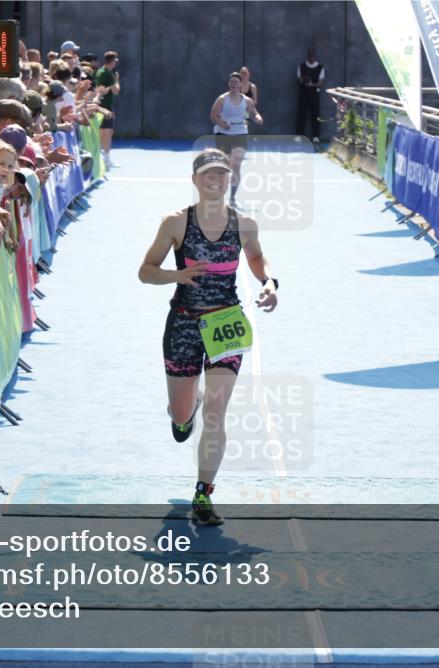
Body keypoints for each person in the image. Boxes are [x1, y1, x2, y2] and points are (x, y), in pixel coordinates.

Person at [138, 149, 278, 525]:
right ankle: (185, 410)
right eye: (208, 174)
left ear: (230, 178)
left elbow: (257, 258)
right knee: (183, 417)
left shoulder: (244, 224)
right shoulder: (175, 222)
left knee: (216, 413)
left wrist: (269, 282)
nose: (216, 180)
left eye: (222, 174)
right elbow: (146, 271)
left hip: (225, 323)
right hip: (184, 323)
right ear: (195, 180)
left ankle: (203, 493)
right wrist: (177, 276)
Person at [210, 72, 263, 211]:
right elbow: (213, 115)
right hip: (223, 134)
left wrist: (258, 118)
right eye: (231, 82)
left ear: (240, 85)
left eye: (236, 82)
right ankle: (218, 196)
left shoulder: (247, 100)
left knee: (236, 166)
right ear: (229, 84)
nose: (233, 84)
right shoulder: (222, 99)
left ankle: (232, 199)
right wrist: (222, 124)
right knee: (224, 166)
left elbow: (254, 113)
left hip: (240, 133)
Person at [94, 51, 120, 168]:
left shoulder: (99, 71)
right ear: (113, 61)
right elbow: (116, 90)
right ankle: (106, 159)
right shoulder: (108, 74)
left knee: (103, 131)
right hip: (105, 107)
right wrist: (116, 80)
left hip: (100, 105)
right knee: (108, 132)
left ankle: (103, 158)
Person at [296, 49, 324, 143]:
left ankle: (316, 136)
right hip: (303, 93)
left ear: (315, 57)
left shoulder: (320, 67)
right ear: (307, 57)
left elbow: (320, 83)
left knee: (315, 114)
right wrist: (303, 79)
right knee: (301, 114)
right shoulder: (301, 66)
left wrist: (312, 84)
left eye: (313, 57)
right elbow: (298, 79)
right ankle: (299, 135)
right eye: (310, 57)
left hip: (314, 94)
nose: (311, 59)